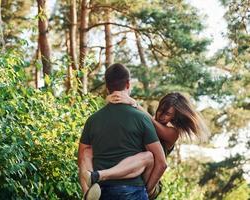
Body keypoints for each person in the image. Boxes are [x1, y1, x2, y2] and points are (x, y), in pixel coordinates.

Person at [82, 91, 210, 199]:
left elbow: (151, 124)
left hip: (151, 181)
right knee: (87, 152)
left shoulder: (172, 133)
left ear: (175, 117)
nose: (162, 116)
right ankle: (90, 189)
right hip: (133, 170)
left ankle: (99, 175)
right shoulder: (148, 119)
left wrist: (135, 104)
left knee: (148, 156)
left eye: (168, 114)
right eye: (161, 111)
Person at [78, 63, 167, 200]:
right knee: (148, 156)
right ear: (128, 84)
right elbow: (161, 162)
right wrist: (147, 190)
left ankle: (89, 191)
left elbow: (82, 160)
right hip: (132, 190)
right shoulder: (142, 118)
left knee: (87, 152)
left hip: (100, 192)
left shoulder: (92, 120)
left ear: (107, 88)